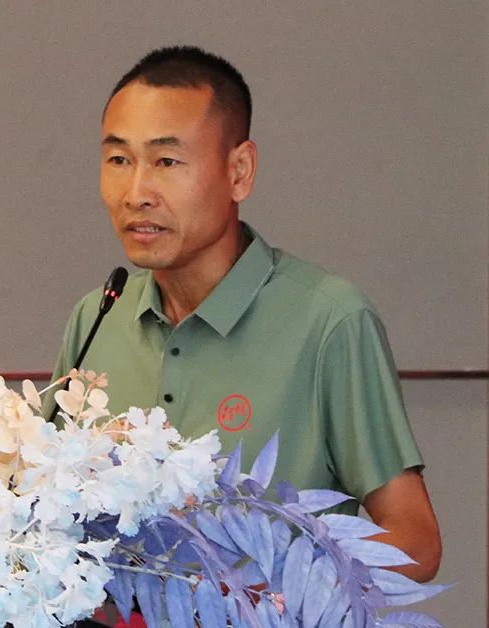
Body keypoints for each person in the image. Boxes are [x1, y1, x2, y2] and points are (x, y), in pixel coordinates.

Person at [45, 46, 441, 583]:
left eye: (166, 162)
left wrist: (268, 591)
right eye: (119, 160)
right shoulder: (97, 317)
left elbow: (415, 543)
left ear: (239, 171)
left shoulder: (328, 320)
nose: (136, 193)